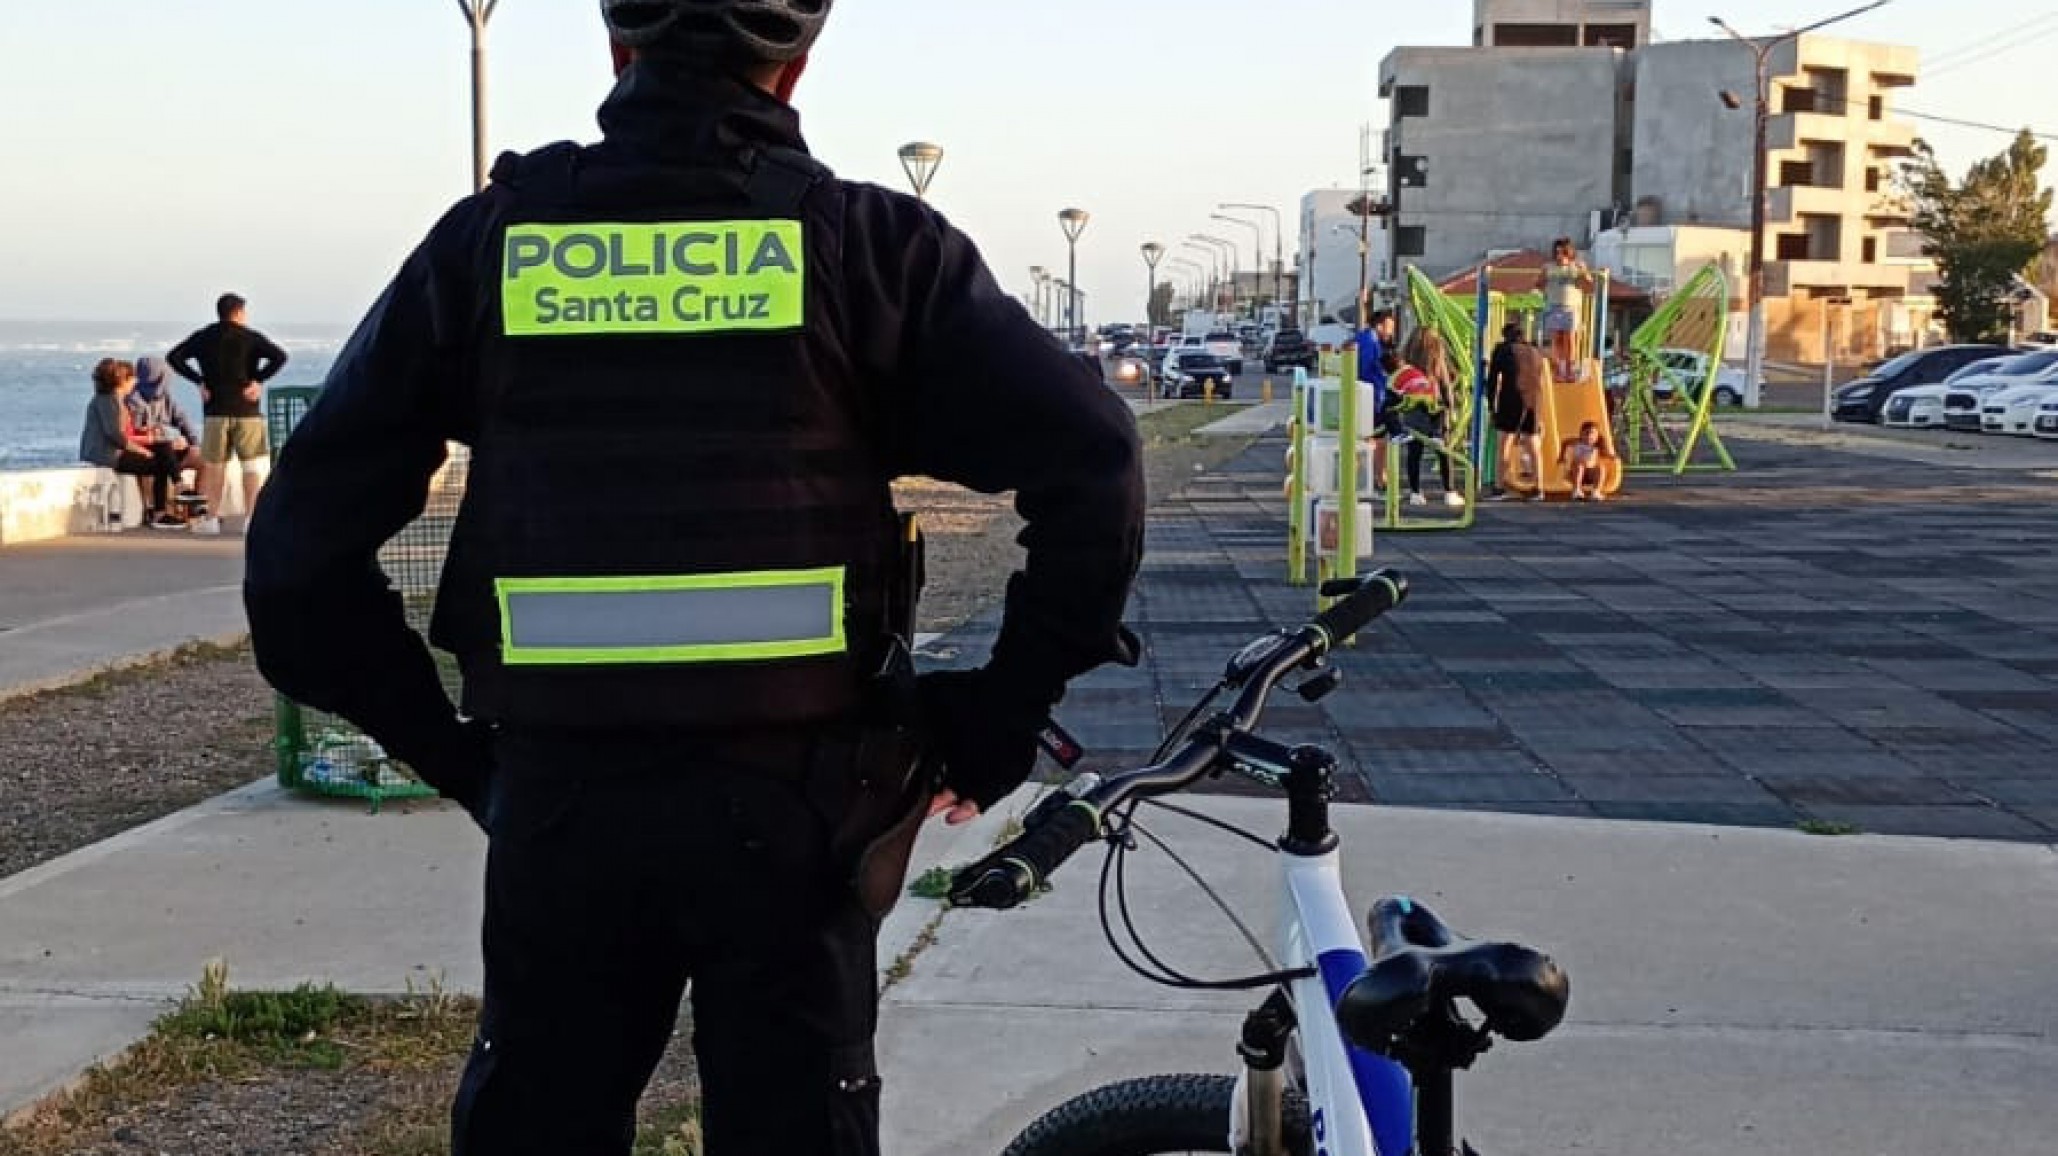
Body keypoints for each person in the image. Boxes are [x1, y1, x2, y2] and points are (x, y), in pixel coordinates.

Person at [242, 3, 1145, 1153]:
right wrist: (998, 712)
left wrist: (465, 764)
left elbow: (295, 573)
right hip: (803, 815)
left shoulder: (489, 247)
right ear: (796, 61)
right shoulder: (873, 251)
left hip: (562, 808)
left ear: (619, 49)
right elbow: (1099, 463)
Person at [167, 293, 288, 535]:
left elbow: (175, 357)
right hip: (247, 410)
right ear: (240, 312)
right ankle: (251, 517)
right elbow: (279, 356)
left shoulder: (205, 337)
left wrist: (199, 381)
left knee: (215, 465)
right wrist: (258, 380)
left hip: (216, 410)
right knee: (252, 466)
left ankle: (211, 517)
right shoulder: (250, 337)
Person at [79, 359, 182, 528]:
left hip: (115, 452)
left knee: (163, 447)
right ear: (122, 381)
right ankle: (162, 510)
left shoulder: (117, 400)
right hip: (108, 455)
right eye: (132, 378)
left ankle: (175, 490)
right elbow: (115, 435)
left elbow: (124, 431)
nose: (135, 382)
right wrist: (141, 451)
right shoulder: (108, 400)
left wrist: (145, 435)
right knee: (161, 464)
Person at [1380, 334, 1464, 509]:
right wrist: (1450, 406)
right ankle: (1449, 491)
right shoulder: (1436, 359)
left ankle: (1416, 492)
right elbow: (1445, 385)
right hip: (1434, 408)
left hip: (1412, 411)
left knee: (1414, 453)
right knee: (1443, 453)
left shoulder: (1407, 360)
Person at [125, 356, 204, 521]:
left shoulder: (165, 398)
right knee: (157, 461)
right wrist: (169, 436)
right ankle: (157, 508)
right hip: (150, 450)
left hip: (169, 448)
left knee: (203, 460)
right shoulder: (133, 400)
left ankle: (196, 508)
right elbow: (142, 432)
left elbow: (182, 419)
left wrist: (192, 442)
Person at [1486, 323, 1547, 502]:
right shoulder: (1536, 352)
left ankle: (1499, 487)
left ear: (1505, 336)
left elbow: (1492, 379)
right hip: (1534, 399)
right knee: (1533, 443)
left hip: (1511, 397)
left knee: (1505, 442)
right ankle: (1539, 487)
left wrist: (1491, 404)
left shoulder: (1502, 349)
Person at [1535, 238, 1593, 383]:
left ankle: (1570, 368)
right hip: (1553, 305)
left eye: (1562, 251)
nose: (1559, 254)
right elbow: (1539, 284)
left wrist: (1583, 273)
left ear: (1569, 252)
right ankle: (1560, 370)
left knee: (1570, 339)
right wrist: (1544, 286)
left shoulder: (1577, 266)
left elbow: (1588, 284)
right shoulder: (1548, 267)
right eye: (1557, 251)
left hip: (1571, 306)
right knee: (1557, 338)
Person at [1559, 420, 1614, 501]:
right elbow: (1565, 442)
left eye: (1593, 433)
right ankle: (1577, 490)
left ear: (1597, 436)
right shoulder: (1577, 442)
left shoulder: (1597, 445)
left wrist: (1612, 457)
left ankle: (1596, 491)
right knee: (1579, 464)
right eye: (1586, 433)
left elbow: (1606, 454)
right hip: (1575, 474)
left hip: (1590, 473)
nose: (1589, 436)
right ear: (1581, 434)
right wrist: (1561, 456)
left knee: (1600, 468)